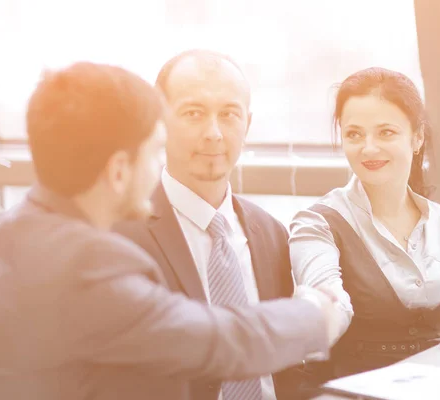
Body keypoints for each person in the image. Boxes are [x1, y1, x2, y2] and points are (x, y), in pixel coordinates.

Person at [0, 62, 339, 400]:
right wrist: (315, 314)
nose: (160, 163)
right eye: (155, 150)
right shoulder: (87, 264)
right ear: (119, 171)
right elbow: (210, 340)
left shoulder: (14, 231)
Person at [114, 49, 341, 400]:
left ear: (247, 124)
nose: (214, 133)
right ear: (159, 122)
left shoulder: (271, 233)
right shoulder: (121, 234)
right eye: (194, 113)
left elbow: (284, 367)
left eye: (229, 114)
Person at [289, 67, 440, 380]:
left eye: (386, 132)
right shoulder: (317, 223)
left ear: (417, 138)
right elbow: (326, 301)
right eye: (354, 134)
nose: (368, 148)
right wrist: (318, 318)